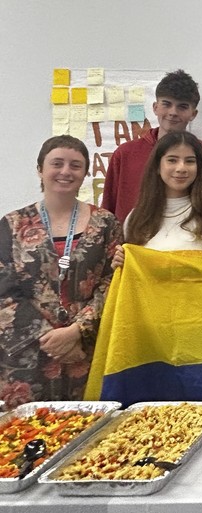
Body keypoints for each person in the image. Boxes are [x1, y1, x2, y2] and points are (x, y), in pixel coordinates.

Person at [0, 136, 122, 406]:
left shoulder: (106, 223)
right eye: (57, 163)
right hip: (25, 355)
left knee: (90, 425)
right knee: (28, 428)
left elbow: (112, 282)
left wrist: (77, 330)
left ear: (85, 173)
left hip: (86, 349)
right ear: (40, 170)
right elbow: (3, 289)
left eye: (75, 165)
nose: (66, 171)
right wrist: (48, 337)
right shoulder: (11, 224)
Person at [101, 70, 202, 223]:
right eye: (166, 104)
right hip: (131, 237)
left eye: (182, 107)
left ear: (193, 114)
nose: (173, 112)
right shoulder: (125, 154)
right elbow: (107, 212)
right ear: (155, 107)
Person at [112, 131, 202, 267]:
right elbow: (133, 273)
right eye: (172, 160)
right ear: (157, 166)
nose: (181, 168)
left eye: (190, 161)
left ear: (199, 167)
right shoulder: (136, 217)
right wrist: (121, 265)